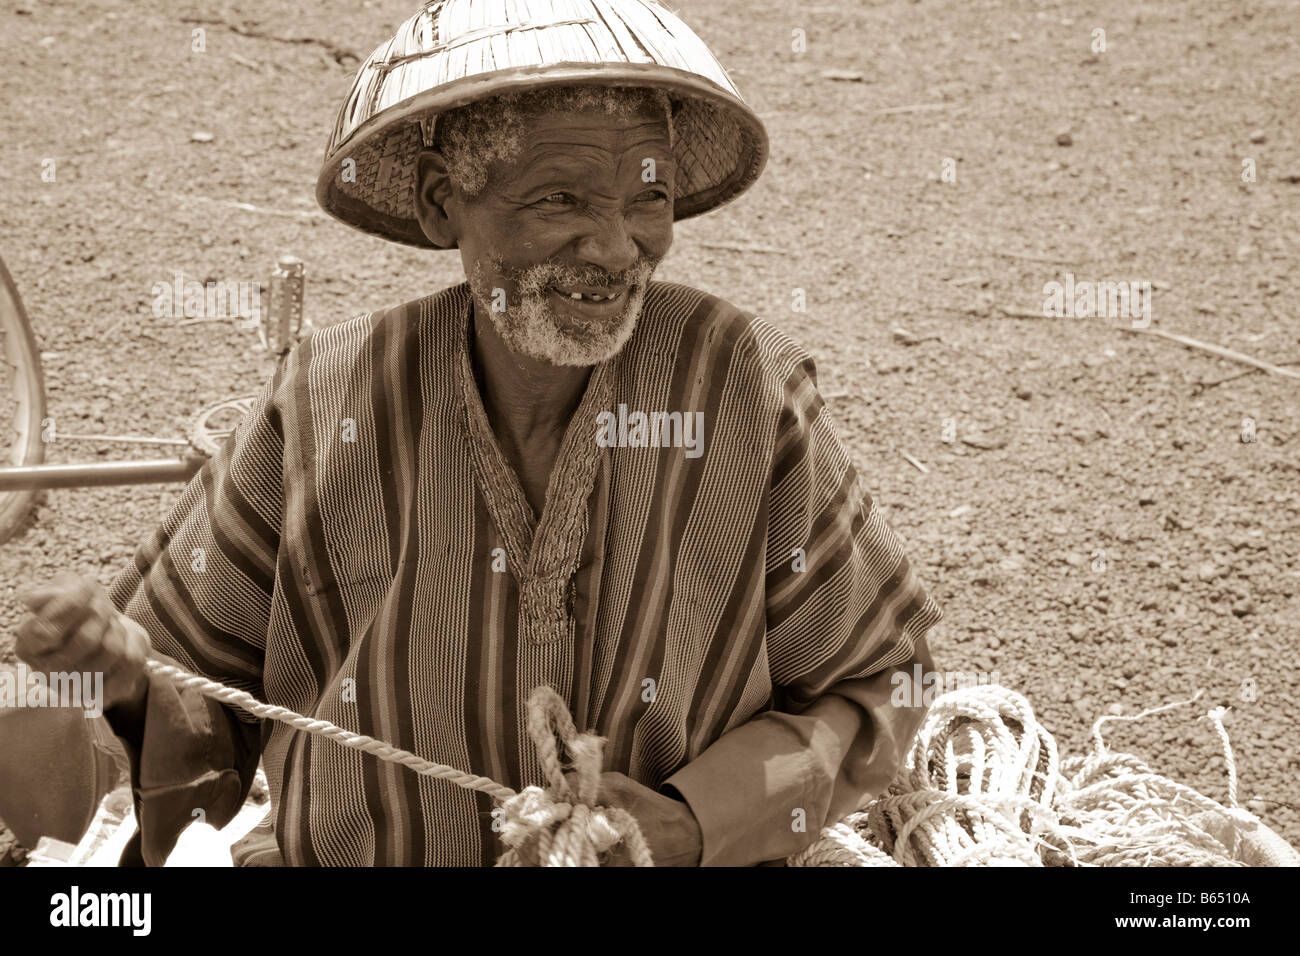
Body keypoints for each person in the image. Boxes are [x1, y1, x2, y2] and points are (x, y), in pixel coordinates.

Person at [13, 0, 942, 866]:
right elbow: (196, 713)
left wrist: (693, 822)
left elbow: (878, 688)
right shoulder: (325, 401)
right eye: (560, 199)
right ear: (437, 200)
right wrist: (119, 683)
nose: (618, 248)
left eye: (646, 199)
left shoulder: (738, 382)